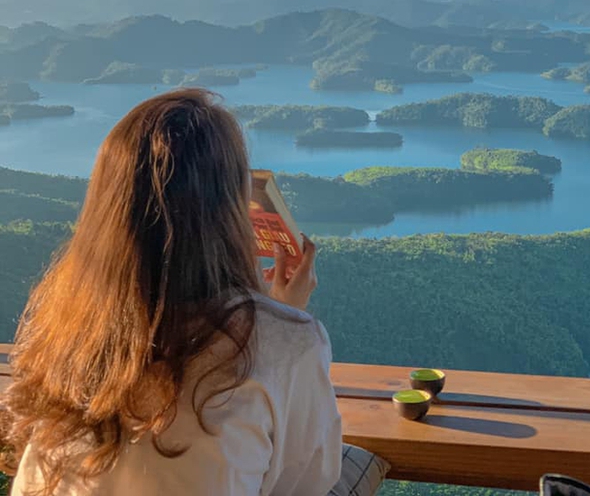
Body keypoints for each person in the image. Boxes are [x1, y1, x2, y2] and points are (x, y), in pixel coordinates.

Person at [1, 89, 342, 496]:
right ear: (229, 211)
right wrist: (279, 319)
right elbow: (307, 482)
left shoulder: (65, 335)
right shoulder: (287, 343)